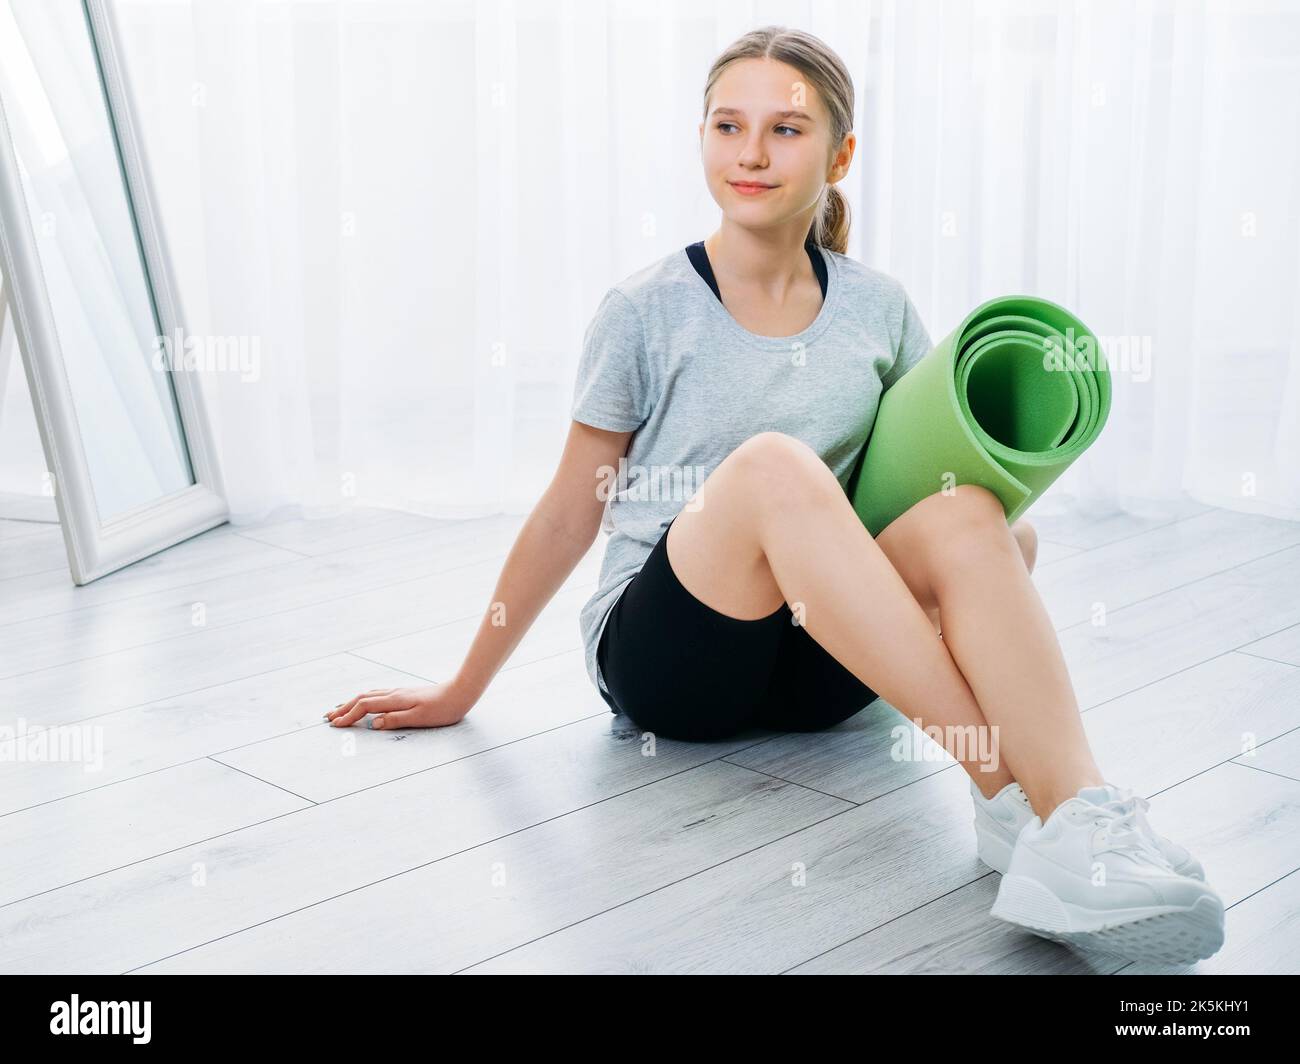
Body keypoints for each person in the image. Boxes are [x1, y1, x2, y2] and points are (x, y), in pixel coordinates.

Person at [326, 25, 1223, 967]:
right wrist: (461, 687)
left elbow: (915, 491)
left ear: (839, 155)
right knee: (773, 466)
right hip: (674, 661)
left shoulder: (877, 306)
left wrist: (982, 537)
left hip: (821, 665)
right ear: (703, 139)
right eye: (728, 125)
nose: (751, 152)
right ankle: (1013, 794)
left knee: (980, 519)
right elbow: (568, 509)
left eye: (787, 130)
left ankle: (1074, 816)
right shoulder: (643, 310)